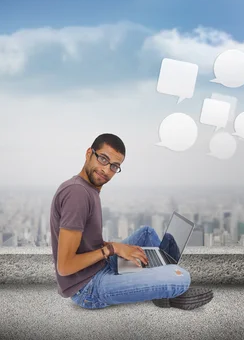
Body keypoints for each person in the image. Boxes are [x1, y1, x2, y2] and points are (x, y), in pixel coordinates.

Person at [50, 133, 213, 310]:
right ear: (89, 153)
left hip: (98, 265)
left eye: (114, 166)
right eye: (103, 159)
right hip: (88, 287)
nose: (106, 170)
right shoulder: (78, 193)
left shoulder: (87, 188)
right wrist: (113, 248)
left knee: (147, 233)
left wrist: (116, 247)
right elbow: (65, 267)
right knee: (182, 277)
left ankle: (158, 283)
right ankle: (166, 288)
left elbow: (85, 243)